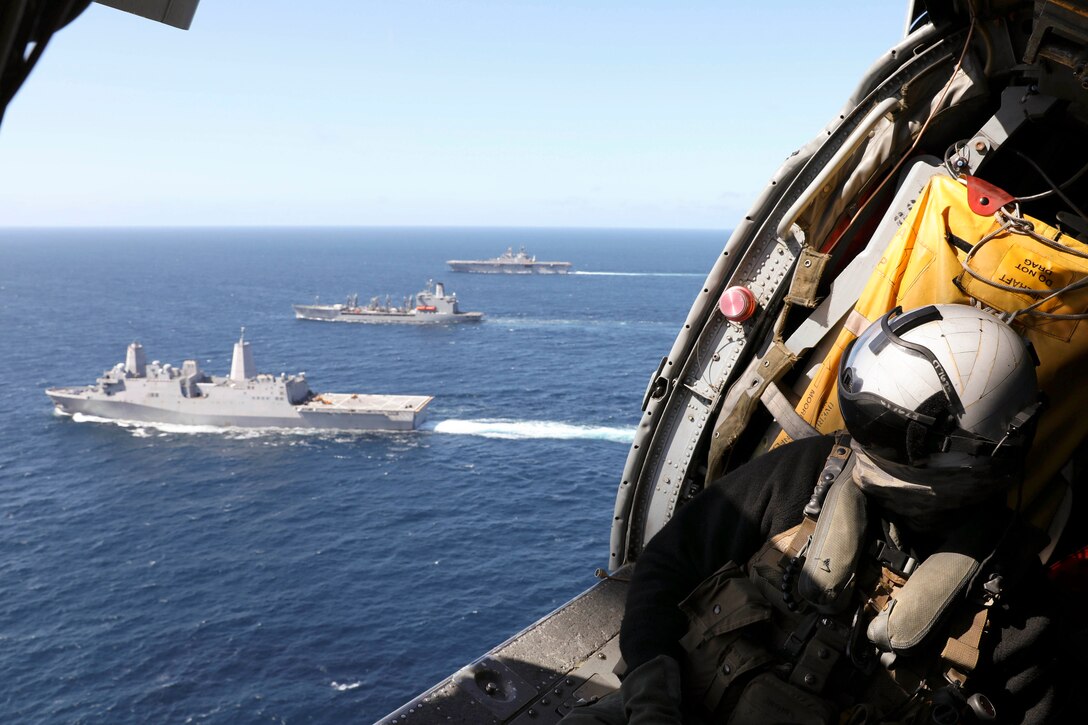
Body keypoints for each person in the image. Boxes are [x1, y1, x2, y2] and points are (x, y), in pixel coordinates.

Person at [563, 304, 1067, 724]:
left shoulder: (1015, 605)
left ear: (983, 447)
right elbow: (668, 565)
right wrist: (653, 702)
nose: (864, 444)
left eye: (892, 432)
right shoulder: (808, 473)